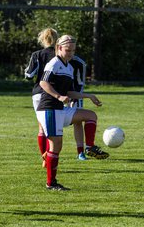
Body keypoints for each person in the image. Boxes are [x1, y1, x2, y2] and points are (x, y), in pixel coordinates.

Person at [36, 35, 109, 190]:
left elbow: (69, 91)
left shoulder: (69, 67)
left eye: (73, 50)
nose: (71, 53)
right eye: (68, 50)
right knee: (56, 146)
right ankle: (51, 183)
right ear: (59, 47)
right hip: (49, 109)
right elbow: (43, 82)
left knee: (90, 115)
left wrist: (88, 96)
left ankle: (89, 147)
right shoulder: (54, 63)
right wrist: (58, 96)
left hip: (60, 109)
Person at [25, 29, 93, 162]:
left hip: (40, 94)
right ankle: (80, 152)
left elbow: (29, 75)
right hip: (57, 94)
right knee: (75, 123)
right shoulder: (64, 58)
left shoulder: (38, 54)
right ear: (58, 43)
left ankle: (45, 157)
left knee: (43, 129)